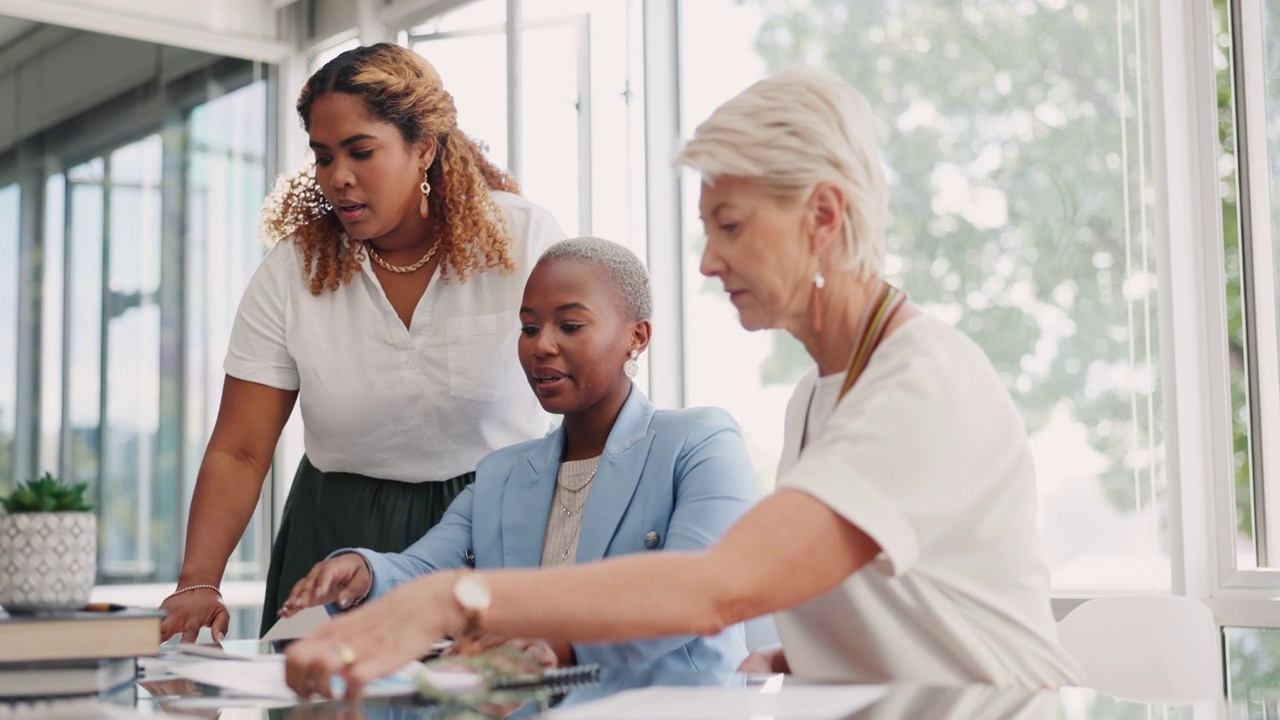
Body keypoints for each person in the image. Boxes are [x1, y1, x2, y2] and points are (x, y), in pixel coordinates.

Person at [282, 67, 1083, 697]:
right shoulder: (818, 393)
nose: (708, 260)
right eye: (706, 229)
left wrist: (458, 599)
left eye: (730, 225)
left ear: (824, 217)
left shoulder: (922, 382)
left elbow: (719, 588)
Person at [158, 43, 566, 641]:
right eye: (323, 157)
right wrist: (198, 582)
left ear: (423, 147)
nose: (337, 177)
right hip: (333, 539)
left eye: (360, 152)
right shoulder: (294, 268)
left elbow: (589, 392)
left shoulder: (521, 238)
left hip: (495, 533)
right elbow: (241, 448)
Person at [277, 237, 759, 673]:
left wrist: (563, 646)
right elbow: (427, 571)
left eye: (569, 325)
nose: (541, 345)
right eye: (529, 328)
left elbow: (692, 596)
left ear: (638, 336)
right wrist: (363, 574)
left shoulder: (699, 443)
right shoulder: (502, 473)